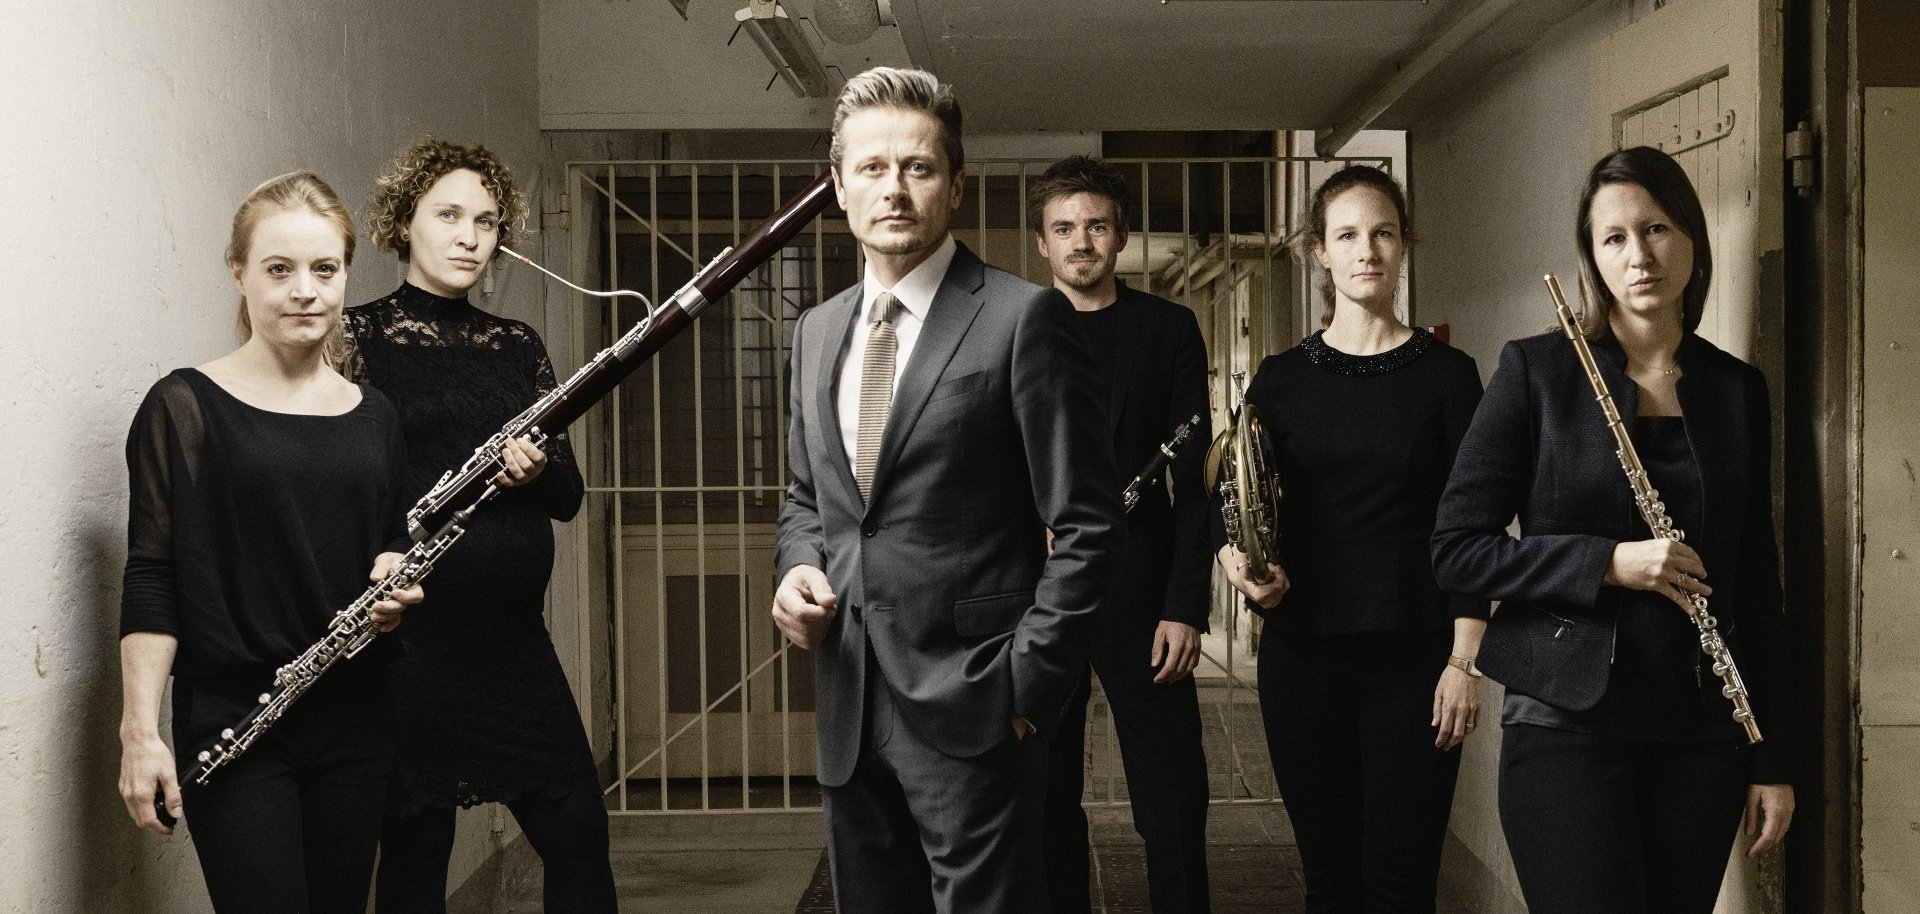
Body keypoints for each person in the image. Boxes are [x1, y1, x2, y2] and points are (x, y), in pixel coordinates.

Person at [771, 67, 1126, 914]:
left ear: (955, 185)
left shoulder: (1022, 318)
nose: (894, 188)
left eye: (919, 167)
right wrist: (793, 572)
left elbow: (1088, 526)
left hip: (976, 705)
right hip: (849, 702)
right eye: (872, 167)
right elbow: (805, 502)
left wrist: (1023, 689)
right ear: (839, 186)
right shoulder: (816, 333)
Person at [1430, 146, 1797, 914]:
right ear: (1593, 258)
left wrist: (1771, 756)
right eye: (1614, 238)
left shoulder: (1736, 390)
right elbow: (1457, 548)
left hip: (1701, 735)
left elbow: (1756, 585)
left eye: (1656, 228)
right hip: (1567, 724)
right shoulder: (1537, 372)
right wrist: (1606, 563)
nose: (1640, 256)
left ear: (1690, 237)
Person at [117, 171, 423, 914]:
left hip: (356, 719)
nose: (305, 291)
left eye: (325, 270)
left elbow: (392, 550)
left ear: (346, 273)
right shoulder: (183, 408)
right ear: (239, 273)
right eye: (279, 269)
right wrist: (139, 733)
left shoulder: (375, 416)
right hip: (235, 717)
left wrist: (398, 586)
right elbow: (152, 576)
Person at [345, 139, 615, 914]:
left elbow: (568, 495)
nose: (470, 236)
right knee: (417, 850)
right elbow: (350, 486)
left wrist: (538, 468)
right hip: (413, 645)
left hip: (513, 643)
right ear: (404, 223)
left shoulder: (516, 346)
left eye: (488, 221)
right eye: (450, 215)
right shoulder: (358, 339)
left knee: (578, 834)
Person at [1215, 165, 1486, 913]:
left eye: (1383, 233)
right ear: (1319, 253)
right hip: (1303, 659)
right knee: (1329, 879)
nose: (1366, 250)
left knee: (1400, 884)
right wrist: (1239, 564)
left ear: (1403, 248)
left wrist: (1466, 661)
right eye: (1347, 236)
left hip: (1417, 659)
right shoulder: (1280, 379)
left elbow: (1476, 526)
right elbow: (1232, 499)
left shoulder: (1449, 377)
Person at [1027, 155, 1213, 914]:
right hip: (1039, 597)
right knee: (1042, 795)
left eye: (1096, 226)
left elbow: (1198, 481)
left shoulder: (1168, 329)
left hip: (1144, 592)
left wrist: (1185, 605)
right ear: (1042, 243)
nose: (1081, 242)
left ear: (1121, 235)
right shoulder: (1011, 327)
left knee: (1171, 792)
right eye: (1064, 228)